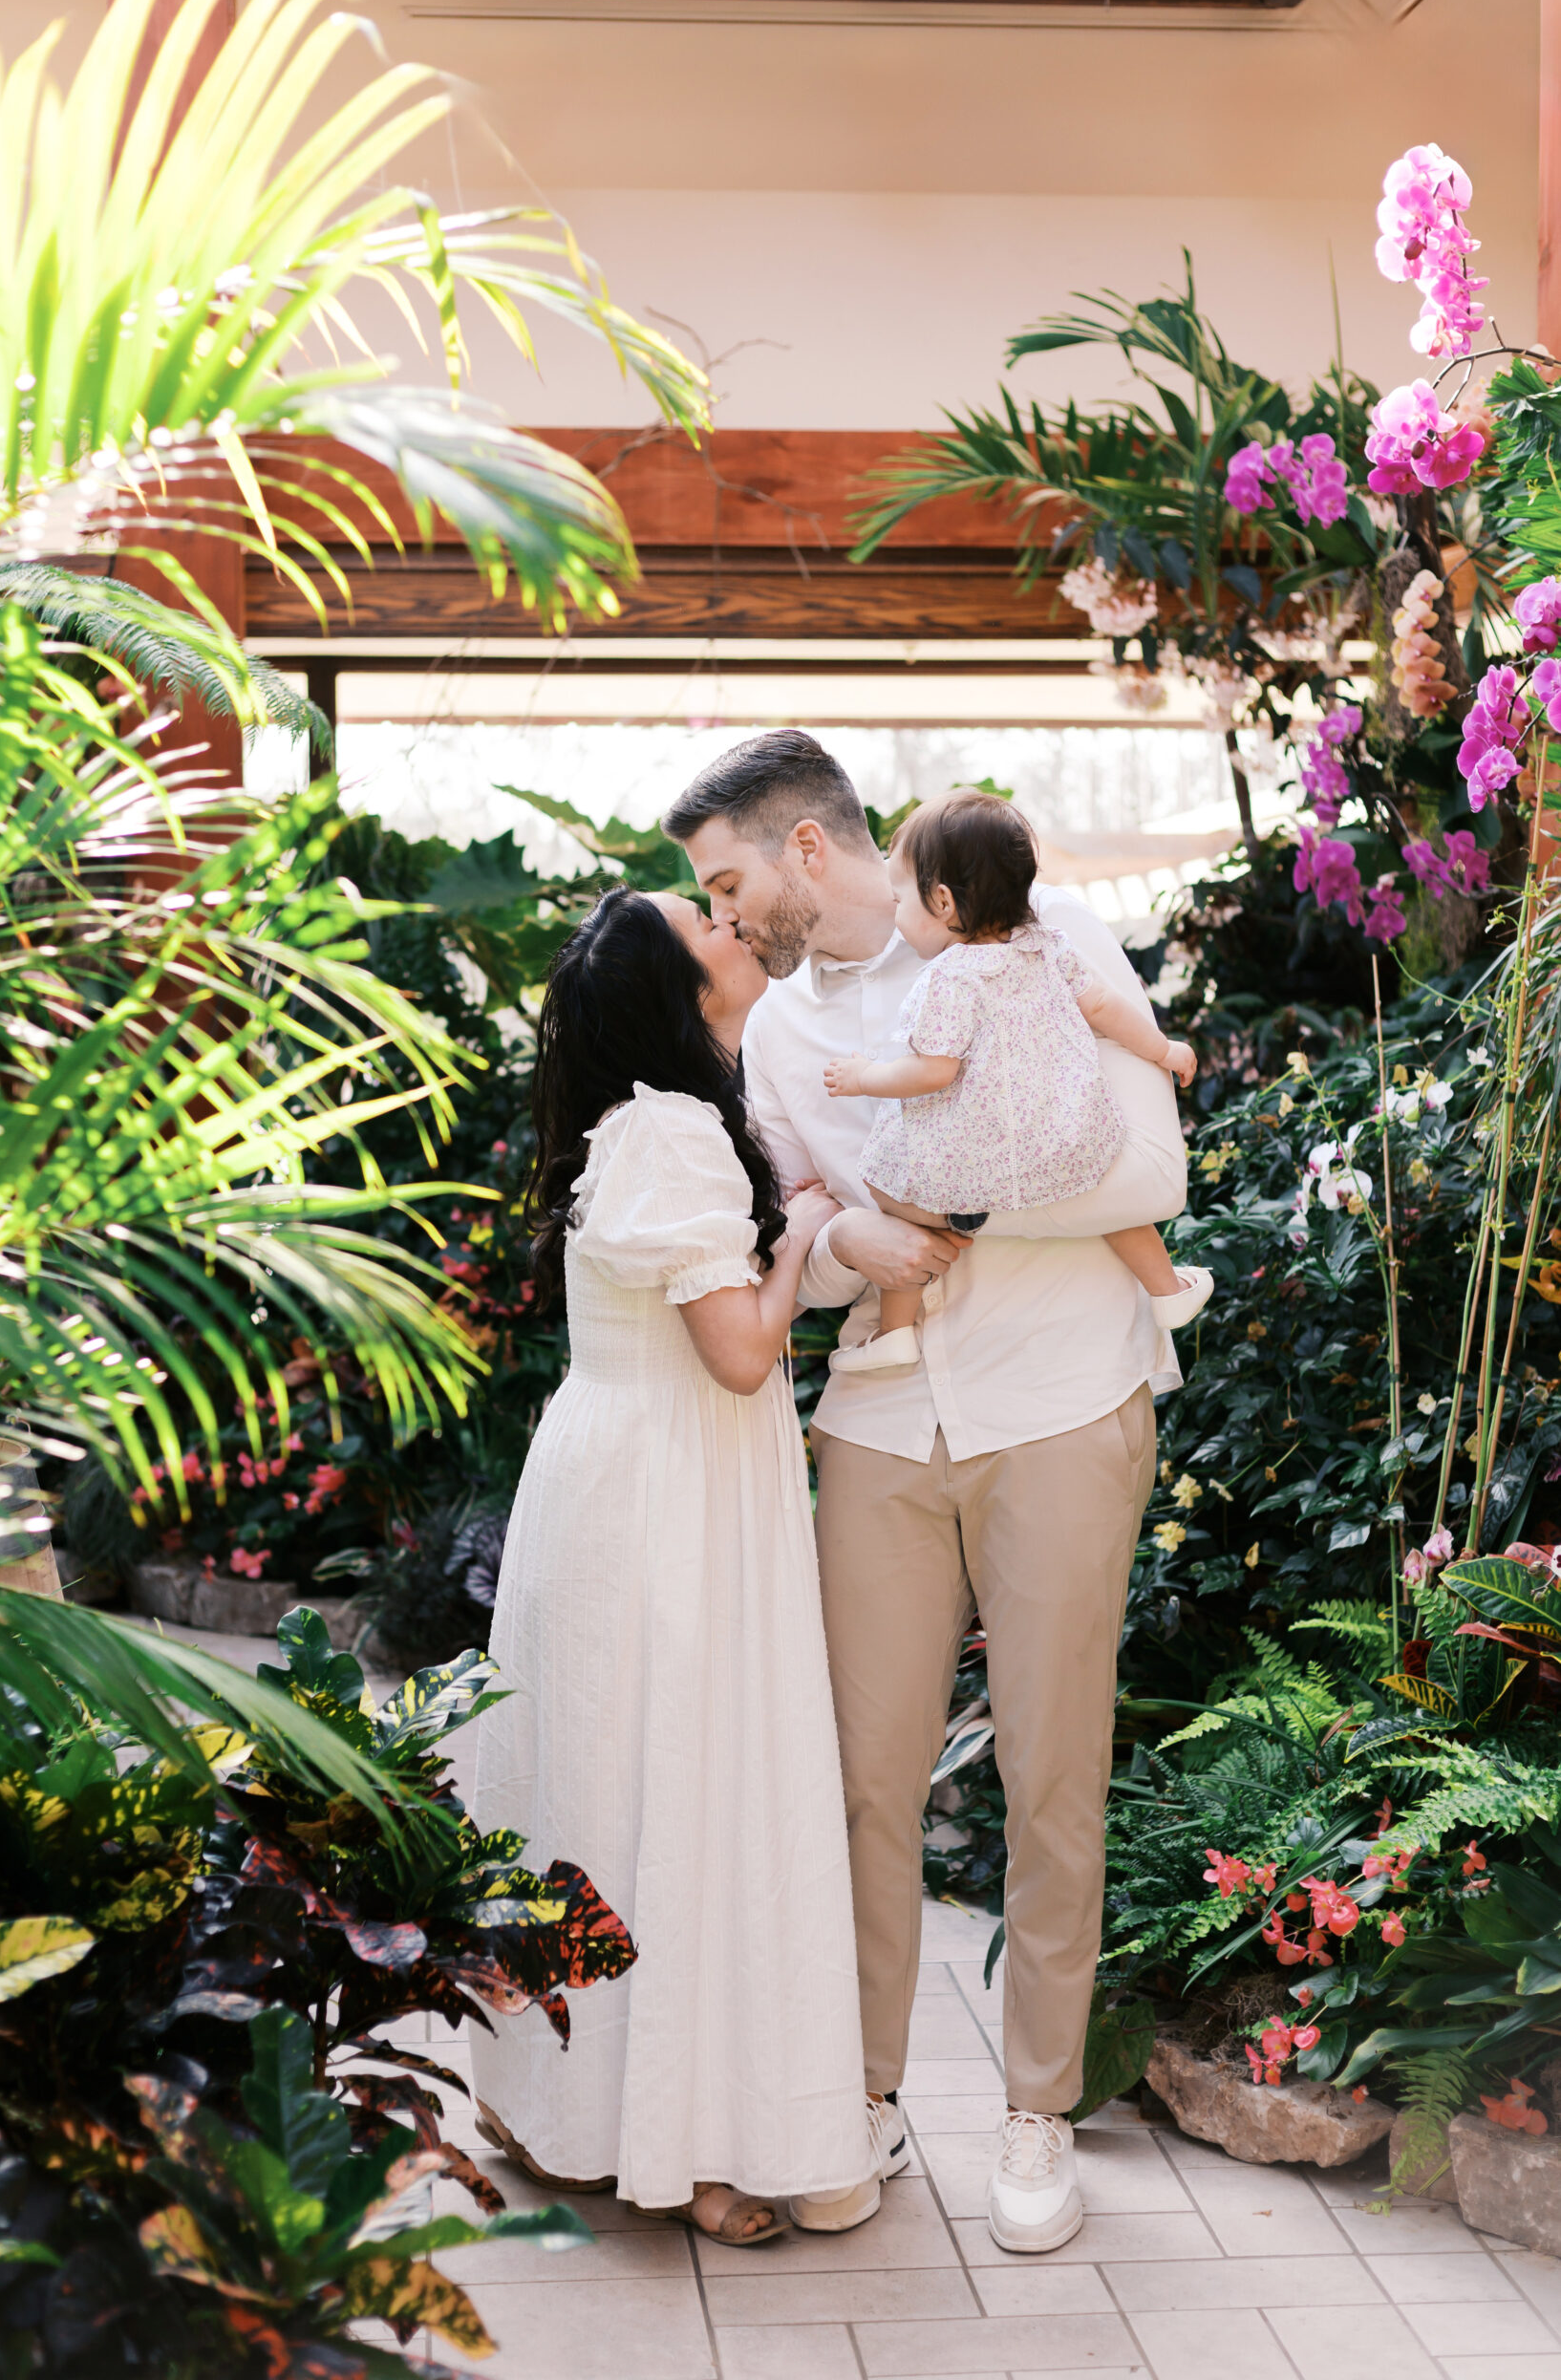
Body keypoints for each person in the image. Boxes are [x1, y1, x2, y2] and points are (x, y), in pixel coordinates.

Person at [663, 731, 1186, 2255]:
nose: (720, 914)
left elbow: (1145, 1169)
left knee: (1051, 1775)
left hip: (1063, 1398)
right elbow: (791, 1229)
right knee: (858, 1782)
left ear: (803, 850)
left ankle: (1035, 2111)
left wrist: (945, 1203)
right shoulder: (775, 1033)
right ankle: (857, 2097)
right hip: (881, 1422)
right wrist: (847, 1243)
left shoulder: (1040, 931)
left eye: (726, 881)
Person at [467, 883, 875, 2246]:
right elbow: (742, 1353)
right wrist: (802, 1241)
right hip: (668, 1495)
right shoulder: (674, 1130)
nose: (727, 923)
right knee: (682, 1795)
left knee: (608, 1790)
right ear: (673, 992)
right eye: (697, 923)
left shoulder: (651, 1124)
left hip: (625, 1477)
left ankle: (577, 2111)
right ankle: (689, 2146)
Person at [823, 787, 1211, 1372]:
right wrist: (1164, 1049)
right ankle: (1167, 1289)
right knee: (1105, 1200)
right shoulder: (1048, 947)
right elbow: (1104, 1005)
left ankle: (895, 1331)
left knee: (894, 1191)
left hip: (974, 1169)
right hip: (1062, 1141)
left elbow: (933, 1071)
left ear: (943, 901)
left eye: (901, 899)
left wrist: (864, 1077)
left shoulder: (950, 978)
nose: (896, 917)